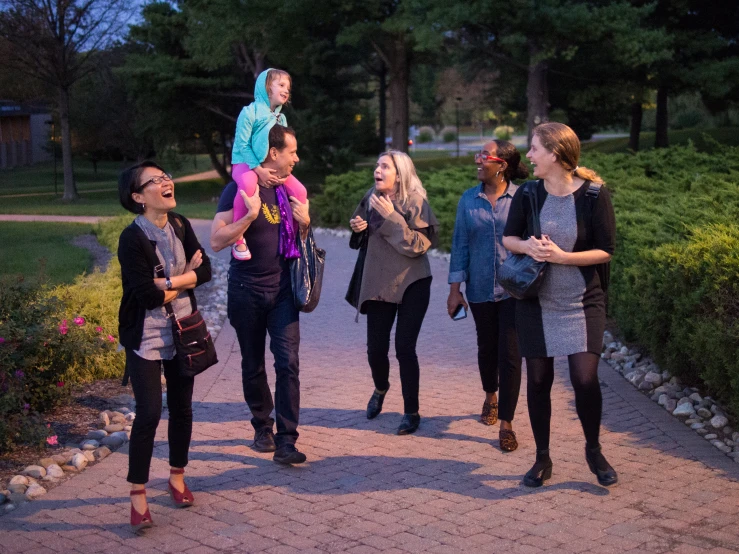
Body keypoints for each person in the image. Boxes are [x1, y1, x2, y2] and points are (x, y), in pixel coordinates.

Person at [502, 122, 617, 487]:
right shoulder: (529, 194)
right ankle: (542, 459)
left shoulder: (594, 195)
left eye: (534, 149)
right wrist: (528, 247)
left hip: (583, 302)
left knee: (585, 378)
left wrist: (562, 256)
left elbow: (606, 251)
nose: (529, 156)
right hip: (536, 301)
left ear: (554, 154)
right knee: (538, 380)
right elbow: (509, 238)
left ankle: (593, 449)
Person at [117, 161, 212, 531]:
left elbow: (207, 272)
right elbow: (147, 296)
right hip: (146, 335)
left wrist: (171, 280)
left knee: (182, 408)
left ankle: (176, 477)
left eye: (166, 176)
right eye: (154, 181)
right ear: (138, 197)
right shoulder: (132, 238)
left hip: (184, 328)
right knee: (150, 414)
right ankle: (138, 496)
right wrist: (187, 277)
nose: (166, 182)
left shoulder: (180, 224)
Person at [211, 125, 311, 464]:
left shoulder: (289, 192)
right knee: (253, 364)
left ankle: (287, 440)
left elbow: (299, 240)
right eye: (292, 151)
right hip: (246, 290)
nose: (296, 158)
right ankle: (261, 425)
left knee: (288, 364)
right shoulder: (238, 190)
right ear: (273, 153)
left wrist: (306, 221)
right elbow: (216, 239)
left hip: (282, 290)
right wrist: (250, 216)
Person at [348, 150, 439, 435]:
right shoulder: (371, 197)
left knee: (404, 348)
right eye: (377, 164)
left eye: (384, 166)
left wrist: (392, 218)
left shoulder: (416, 202)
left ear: (399, 174)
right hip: (379, 283)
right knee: (375, 349)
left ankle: (411, 411)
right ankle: (380, 387)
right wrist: (358, 228)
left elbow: (418, 246)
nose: (377, 169)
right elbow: (358, 238)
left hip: (413, 282)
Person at [447, 139, 526, 452]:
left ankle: (506, 422)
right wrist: (455, 290)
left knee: (510, 355)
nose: (478, 161)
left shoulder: (521, 198)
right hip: (479, 288)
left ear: (502, 165)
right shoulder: (469, 200)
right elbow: (460, 246)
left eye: (484, 156)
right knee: (486, 348)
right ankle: (489, 395)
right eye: (478, 155)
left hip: (514, 291)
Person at [230, 68, 307, 260]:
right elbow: (242, 145)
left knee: (300, 192)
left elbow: (280, 150)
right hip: (245, 163)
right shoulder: (250, 112)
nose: (286, 90)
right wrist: (259, 170)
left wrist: (276, 169)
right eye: (281, 85)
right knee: (247, 184)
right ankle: (238, 239)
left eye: (288, 87)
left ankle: (292, 237)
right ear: (266, 87)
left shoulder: (281, 118)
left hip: (268, 166)